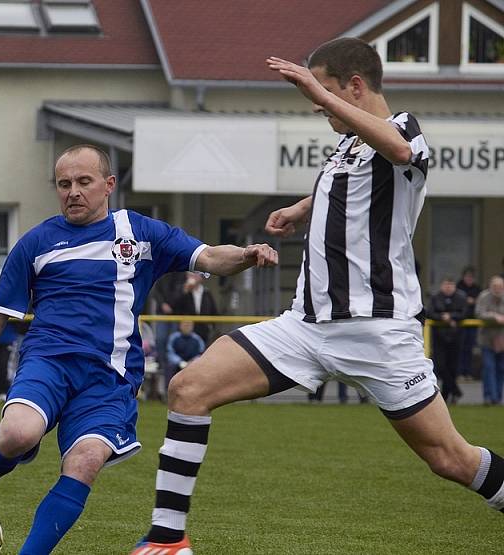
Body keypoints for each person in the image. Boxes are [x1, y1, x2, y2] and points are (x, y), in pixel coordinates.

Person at [132, 38, 503, 554]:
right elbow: (354, 182)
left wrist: (322, 95)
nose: (315, 103)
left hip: (377, 331)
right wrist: (301, 208)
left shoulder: (404, 129)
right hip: (304, 326)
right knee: (189, 388)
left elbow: (397, 153)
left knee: (450, 460)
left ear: (354, 86)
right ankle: (167, 541)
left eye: (324, 90)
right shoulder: (348, 145)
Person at [0, 144, 277, 554]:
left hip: (109, 379)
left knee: (86, 461)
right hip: (48, 362)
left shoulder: (141, 232)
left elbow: (209, 257)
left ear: (108, 185)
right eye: (64, 184)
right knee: (18, 435)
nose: (73, 191)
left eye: (83, 181)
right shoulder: (36, 242)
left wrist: (247, 255)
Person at [427, 277, 467, 404]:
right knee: (441, 365)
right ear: (441, 286)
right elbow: (429, 313)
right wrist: (441, 317)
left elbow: (465, 313)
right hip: (439, 337)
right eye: (446, 284)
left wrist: (451, 316)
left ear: (454, 286)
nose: (448, 287)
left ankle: (447, 395)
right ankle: (456, 391)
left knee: (453, 367)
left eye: (451, 285)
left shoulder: (461, 297)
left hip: (456, 336)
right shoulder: (435, 297)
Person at [475, 275, 504, 405]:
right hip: (486, 338)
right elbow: (479, 313)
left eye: (500, 287)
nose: (497, 289)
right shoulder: (483, 296)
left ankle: (497, 397)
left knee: (500, 368)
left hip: (502, 338)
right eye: (495, 286)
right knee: (489, 367)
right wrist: (494, 316)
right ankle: (489, 397)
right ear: (490, 286)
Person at [170, 272, 219, 345]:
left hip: (203, 328)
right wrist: (185, 291)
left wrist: (212, 326)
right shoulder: (182, 290)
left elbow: (213, 310)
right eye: (191, 274)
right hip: (187, 329)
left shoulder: (206, 292)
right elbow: (174, 307)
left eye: (196, 274)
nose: (194, 277)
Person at [456, 266, 482, 380]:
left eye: (471, 277)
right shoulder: (458, 287)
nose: (469, 279)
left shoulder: (477, 288)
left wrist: (474, 301)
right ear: (463, 277)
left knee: (469, 348)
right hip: (461, 322)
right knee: (460, 348)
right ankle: (460, 372)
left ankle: (468, 372)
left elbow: (480, 302)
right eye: (467, 277)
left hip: (473, 322)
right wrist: (467, 301)